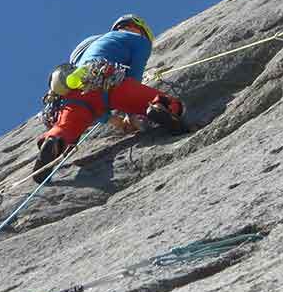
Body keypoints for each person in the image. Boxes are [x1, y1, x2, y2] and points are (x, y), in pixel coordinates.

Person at [32, 14, 187, 181]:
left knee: (67, 126)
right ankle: (160, 108)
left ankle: (54, 141)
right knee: (168, 102)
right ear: (139, 28)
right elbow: (134, 77)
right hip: (110, 80)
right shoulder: (138, 40)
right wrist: (131, 114)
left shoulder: (86, 50)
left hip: (75, 92)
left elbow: (96, 107)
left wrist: (116, 121)